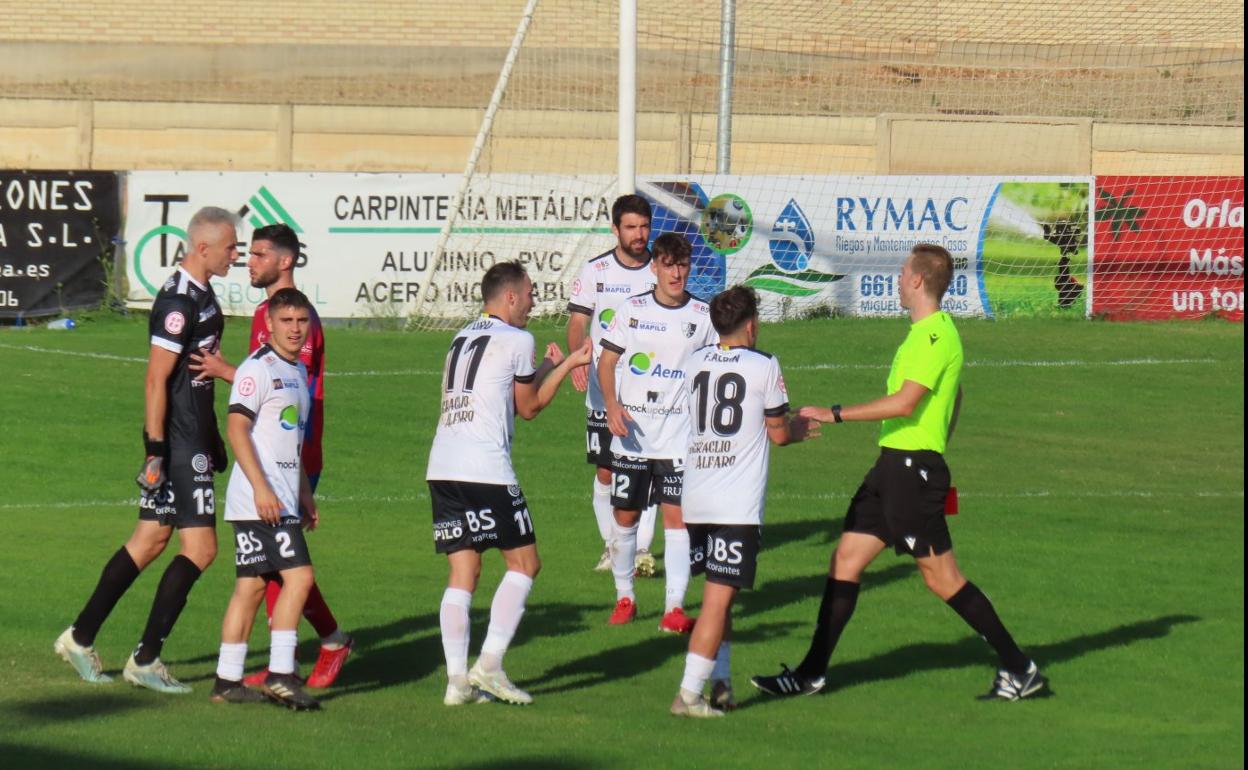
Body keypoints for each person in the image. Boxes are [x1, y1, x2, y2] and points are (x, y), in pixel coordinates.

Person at [750, 243, 1047, 702]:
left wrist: (836, 413)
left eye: (902, 271)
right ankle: (810, 674)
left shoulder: (933, 336)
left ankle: (1020, 667)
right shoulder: (927, 334)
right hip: (893, 467)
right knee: (845, 561)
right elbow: (955, 395)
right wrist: (936, 440)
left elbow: (906, 402)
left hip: (911, 472)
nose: (897, 278)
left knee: (942, 578)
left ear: (917, 281)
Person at [54, 207, 237, 693]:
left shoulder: (201, 292)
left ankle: (79, 636)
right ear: (203, 248)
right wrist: (155, 449)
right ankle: (146, 658)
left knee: (150, 540)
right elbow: (157, 377)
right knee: (200, 548)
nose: (235, 256)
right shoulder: (178, 301)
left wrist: (213, 435)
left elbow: (194, 376)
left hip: (191, 437)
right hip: (176, 443)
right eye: (231, 248)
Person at [191, 223, 351, 689]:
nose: (249, 261)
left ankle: (319, 647)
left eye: (259, 254)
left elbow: (281, 387)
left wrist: (225, 369)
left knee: (286, 568)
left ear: (285, 261)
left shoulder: (294, 317)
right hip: (272, 457)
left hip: (292, 456)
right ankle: (284, 664)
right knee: (272, 571)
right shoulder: (269, 312)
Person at [428, 261, 592, 707]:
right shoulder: (518, 338)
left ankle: (457, 683)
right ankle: (491, 665)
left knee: (463, 573)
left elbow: (506, 391)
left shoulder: (462, 336)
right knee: (524, 565)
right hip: (486, 469)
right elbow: (530, 407)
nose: (535, 303)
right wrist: (570, 364)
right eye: (531, 293)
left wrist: (545, 366)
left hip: (443, 465)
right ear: (512, 297)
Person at [671, 286, 818, 718]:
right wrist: (799, 429)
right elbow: (777, 432)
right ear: (751, 324)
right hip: (735, 504)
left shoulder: (695, 360)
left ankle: (721, 682)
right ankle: (687, 695)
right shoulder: (764, 365)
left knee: (721, 594)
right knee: (718, 600)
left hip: (696, 496)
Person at [597, 233, 718, 632]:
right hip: (632, 433)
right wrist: (612, 405)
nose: (676, 273)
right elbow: (607, 362)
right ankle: (625, 597)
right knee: (626, 516)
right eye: (669, 265)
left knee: (678, 520)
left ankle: (674, 608)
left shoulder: (703, 315)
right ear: (655, 267)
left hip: (679, 437)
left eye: (682, 265)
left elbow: (718, 367)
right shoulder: (631, 310)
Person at [211, 288, 322, 710]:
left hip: (279, 496)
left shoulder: (297, 372)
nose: (294, 329)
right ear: (270, 325)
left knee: (252, 586)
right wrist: (262, 488)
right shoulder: (258, 369)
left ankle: (226, 680)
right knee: (299, 577)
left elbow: (289, 444)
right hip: (261, 499)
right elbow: (237, 428)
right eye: (286, 321)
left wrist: (305, 493)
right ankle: (279, 674)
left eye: (301, 321)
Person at [566, 194, 661, 576]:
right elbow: (577, 322)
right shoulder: (595, 271)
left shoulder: (661, 268)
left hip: (650, 388)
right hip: (603, 388)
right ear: (615, 229)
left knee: (649, 469)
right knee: (607, 470)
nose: (639, 235)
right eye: (631, 227)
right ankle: (612, 546)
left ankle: (639, 551)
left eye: (644, 227)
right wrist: (577, 357)